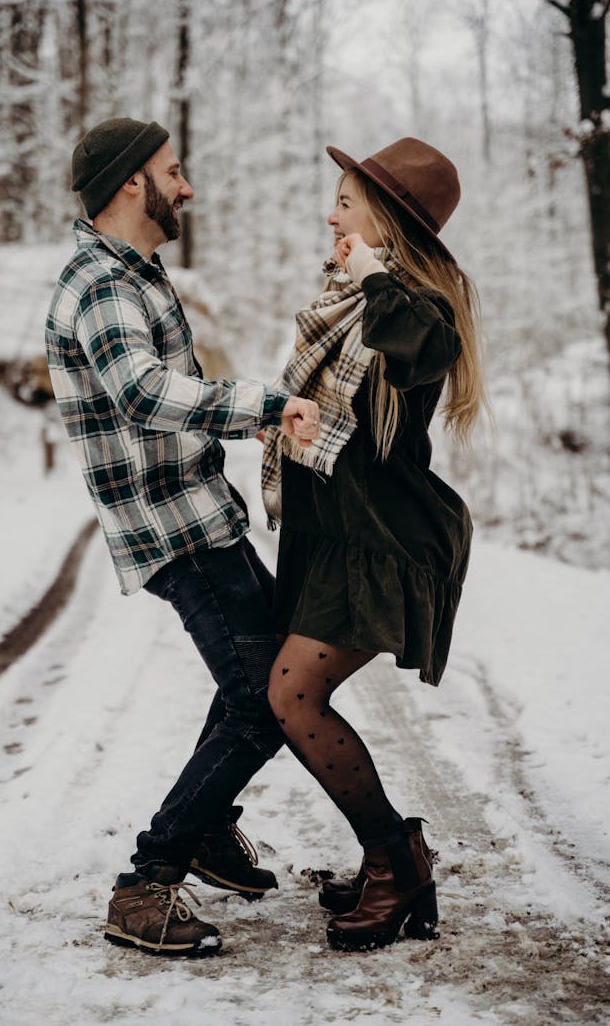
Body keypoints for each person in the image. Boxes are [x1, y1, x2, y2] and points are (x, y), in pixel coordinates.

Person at [45, 117, 319, 957]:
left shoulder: (136, 272)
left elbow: (171, 399)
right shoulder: (99, 284)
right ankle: (146, 882)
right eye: (174, 170)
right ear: (134, 181)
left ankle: (204, 829)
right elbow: (142, 393)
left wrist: (247, 432)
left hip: (202, 512)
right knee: (266, 698)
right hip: (175, 531)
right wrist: (265, 405)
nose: (187, 184)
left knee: (266, 682)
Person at [262, 137, 487, 952]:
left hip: (386, 541)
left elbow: (431, 349)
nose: (332, 215)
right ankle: (399, 852)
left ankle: (395, 863)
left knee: (292, 696)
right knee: (288, 693)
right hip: (338, 537)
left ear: (387, 222)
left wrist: (373, 276)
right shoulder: (358, 301)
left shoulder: (412, 304)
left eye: (348, 203)